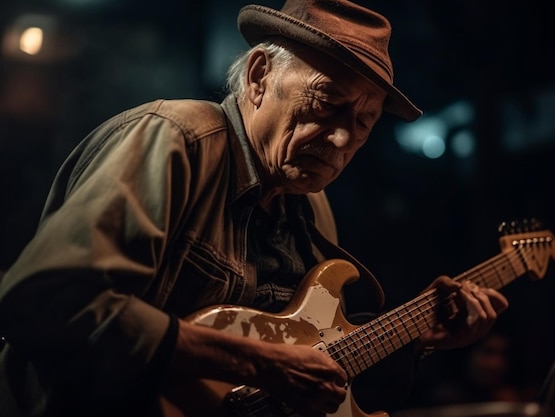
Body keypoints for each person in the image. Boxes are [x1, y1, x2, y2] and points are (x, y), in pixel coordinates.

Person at [0, 1, 509, 417]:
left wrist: (419, 339)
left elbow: (315, 375)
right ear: (260, 76)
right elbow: (45, 300)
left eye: (364, 121)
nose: (341, 138)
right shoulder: (175, 139)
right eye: (327, 103)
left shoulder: (313, 210)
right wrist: (257, 363)